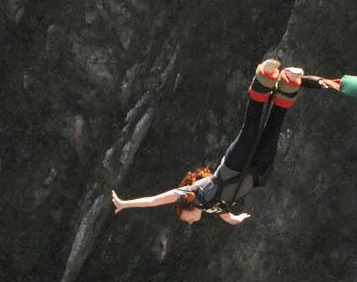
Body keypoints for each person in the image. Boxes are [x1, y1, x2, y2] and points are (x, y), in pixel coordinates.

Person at [111, 59, 327, 225]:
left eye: (186, 219)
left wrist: (125, 204)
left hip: (233, 165)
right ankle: (288, 83)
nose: (190, 222)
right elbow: (229, 218)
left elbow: (154, 201)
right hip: (257, 172)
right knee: (273, 130)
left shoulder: (192, 193)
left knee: (251, 128)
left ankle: (264, 79)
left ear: (185, 209)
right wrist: (238, 219)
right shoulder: (212, 207)